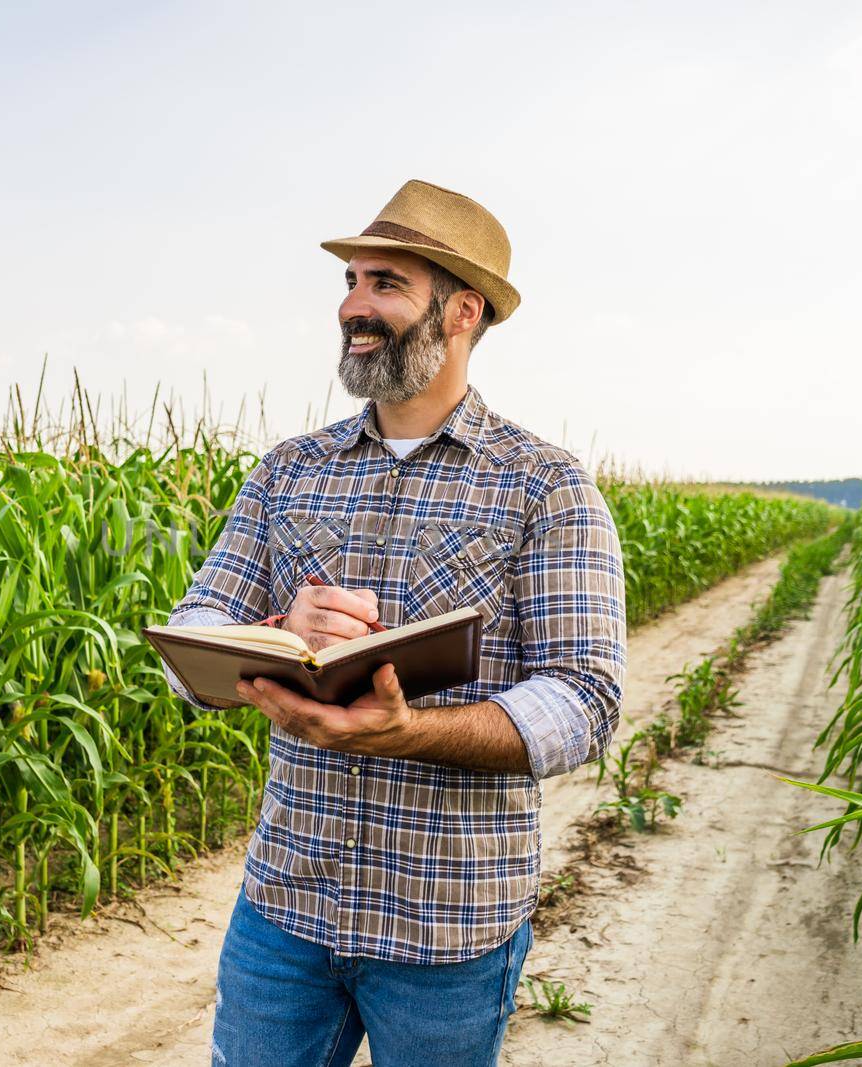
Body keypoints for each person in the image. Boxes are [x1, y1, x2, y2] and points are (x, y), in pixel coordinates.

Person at [162, 178, 627, 1067]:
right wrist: (271, 628)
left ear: (462, 311)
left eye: (384, 284)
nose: (352, 307)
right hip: (286, 908)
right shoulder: (287, 472)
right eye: (350, 282)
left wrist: (410, 731)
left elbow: (586, 698)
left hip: (448, 925)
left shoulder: (546, 485)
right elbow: (193, 636)